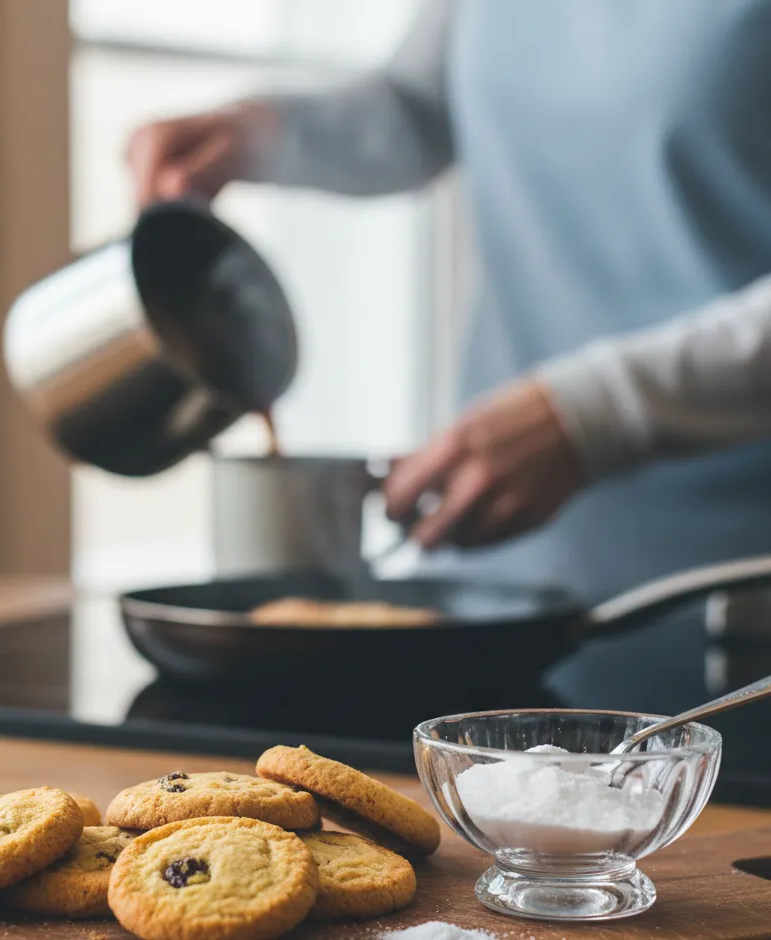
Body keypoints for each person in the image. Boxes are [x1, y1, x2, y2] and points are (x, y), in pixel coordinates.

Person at [127, 0, 771, 603]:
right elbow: (418, 104)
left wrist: (597, 411)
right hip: (502, 553)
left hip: (735, 583)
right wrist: (260, 132)